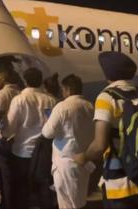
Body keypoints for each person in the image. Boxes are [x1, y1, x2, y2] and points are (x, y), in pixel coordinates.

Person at [73, 51, 138, 209]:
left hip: (120, 183)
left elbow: (99, 145)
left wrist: (83, 157)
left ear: (107, 74)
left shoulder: (107, 97)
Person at [42, 74, 95, 209]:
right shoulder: (90, 106)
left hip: (66, 162)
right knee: (80, 199)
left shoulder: (62, 107)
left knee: (67, 202)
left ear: (68, 89)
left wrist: (48, 120)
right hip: (84, 159)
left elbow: (47, 133)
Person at [7, 67, 57, 208]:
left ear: (25, 80)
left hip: (22, 152)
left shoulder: (19, 100)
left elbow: (10, 127)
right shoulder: (51, 100)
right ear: (41, 81)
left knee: (22, 189)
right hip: (44, 153)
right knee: (43, 189)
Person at [0, 68, 21, 209]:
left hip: (4, 138)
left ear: (3, 80)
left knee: (6, 177)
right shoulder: (20, 93)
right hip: (19, 139)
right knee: (16, 176)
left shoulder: (1, 94)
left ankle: (7, 204)